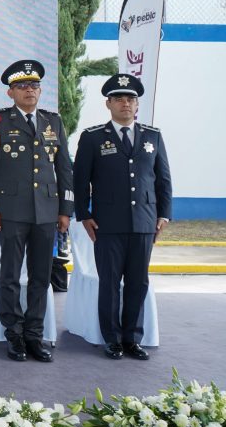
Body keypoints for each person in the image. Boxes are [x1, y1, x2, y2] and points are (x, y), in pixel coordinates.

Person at [0, 59, 73, 363]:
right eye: (22, 86)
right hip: (11, 211)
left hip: (46, 211)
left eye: (33, 86)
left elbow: (64, 168)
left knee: (41, 277)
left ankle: (34, 334)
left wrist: (65, 209)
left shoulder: (52, 122)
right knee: (10, 275)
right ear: (10, 93)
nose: (29, 91)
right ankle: (14, 333)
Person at [73, 74, 172, 360]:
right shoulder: (92, 137)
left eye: (130, 99)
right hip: (107, 223)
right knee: (110, 283)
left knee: (138, 282)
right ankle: (112, 338)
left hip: (144, 221)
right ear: (108, 104)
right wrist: (84, 214)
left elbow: (163, 180)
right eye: (119, 99)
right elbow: (81, 181)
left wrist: (164, 213)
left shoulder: (153, 136)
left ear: (136, 104)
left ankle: (133, 338)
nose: (125, 104)